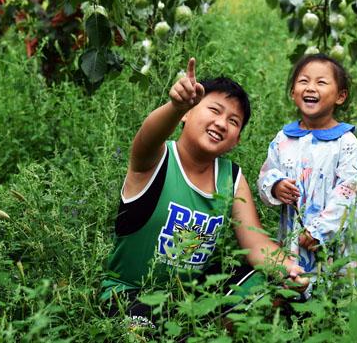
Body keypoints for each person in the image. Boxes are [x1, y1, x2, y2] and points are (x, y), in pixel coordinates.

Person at [101, 58, 306, 328]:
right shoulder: (155, 160)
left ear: (237, 140)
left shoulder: (231, 178)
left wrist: (289, 268)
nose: (221, 123)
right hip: (129, 294)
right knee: (139, 328)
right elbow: (147, 137)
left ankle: (201, 330)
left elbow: (256, 246)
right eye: (214, 110)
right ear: (187, 114)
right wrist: (175, 106)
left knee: (271, 285)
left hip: (189, 298)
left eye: (233, 121)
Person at [257, 53, 357, 301]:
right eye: (303, 81)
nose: (310, 88)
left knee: (344, 291)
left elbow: (349, 190)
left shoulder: (345, 142)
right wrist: (275, 186)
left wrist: (320, 231)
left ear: (340, 96)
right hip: (296, 233)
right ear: (293, 92)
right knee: (300, 289)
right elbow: (265, 175)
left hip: (336, 235)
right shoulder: (283, 139)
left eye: (321, 82)